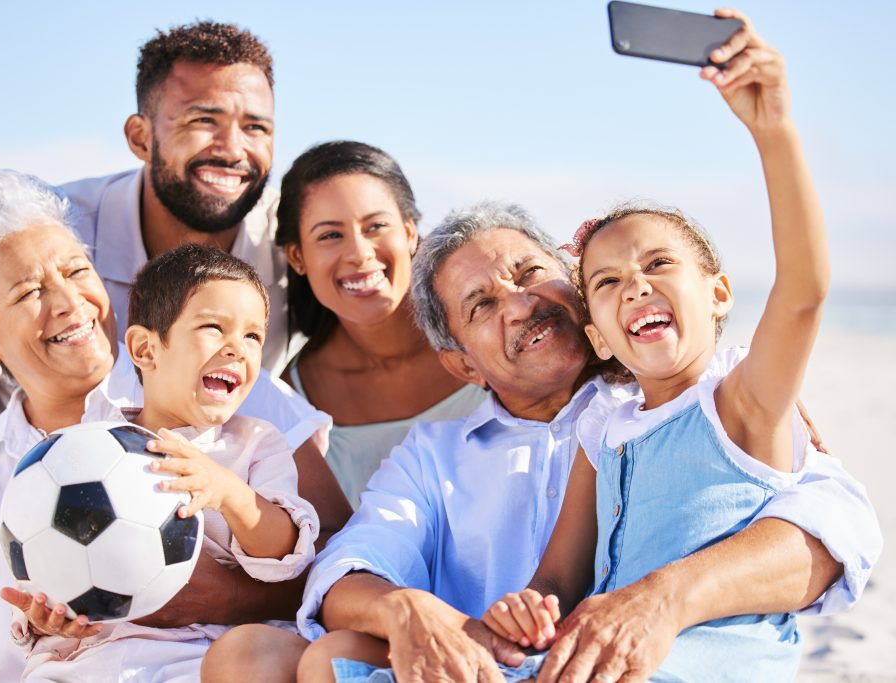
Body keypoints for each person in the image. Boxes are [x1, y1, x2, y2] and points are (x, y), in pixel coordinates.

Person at [294, 198, 880, 680]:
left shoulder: (685, 399)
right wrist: (406, 608)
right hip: (512, 663)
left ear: (572, 285)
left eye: (529, 275)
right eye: (483, 305)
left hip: (671, 661)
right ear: (463, 366)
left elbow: (840, 522)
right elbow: (349, 569)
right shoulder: (433, 456)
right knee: (294, 656)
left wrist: (666, 595)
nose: (521, 305)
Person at [481, 12, 839, 681]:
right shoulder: (602, 426)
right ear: (598, 334)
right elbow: (561, 572)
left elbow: (805, 291)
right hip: (597, 659)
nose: (635, 286)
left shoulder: (744, 404)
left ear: (719, 294)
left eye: (658, 265)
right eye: (608, 282)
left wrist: (774, 132)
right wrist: (529, 608)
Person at [0, 23, 352, 545]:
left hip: (214, 502)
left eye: (256, 127)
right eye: (203, 120)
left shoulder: (292, 244)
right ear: (141, 137)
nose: (233, 148)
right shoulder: (47, 232)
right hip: (38, 498)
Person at [0, 171, 329, 683]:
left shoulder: (219, 390)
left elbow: (340, 562)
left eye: (77, 271)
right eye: (30, 291)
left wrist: (228, 597)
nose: (69, 303)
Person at [14, 244, 318, 681]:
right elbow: (45, 559)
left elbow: (285, 552)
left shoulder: (254, 445)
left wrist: (229, 493)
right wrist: (46, 619)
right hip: (93, 658)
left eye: (253, 335)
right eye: (214, 327)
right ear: (146, 350)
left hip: (199, 654)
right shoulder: (84, 448)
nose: (238, 349)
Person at [276, 141, 485, 504]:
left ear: (408, 233)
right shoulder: (291, 403)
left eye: (375, 226)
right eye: (330, 235)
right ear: (297, 256)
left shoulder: (485, 333)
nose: (359, 253)